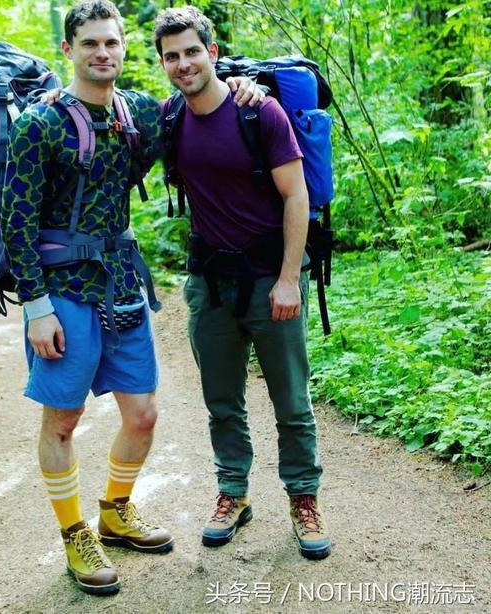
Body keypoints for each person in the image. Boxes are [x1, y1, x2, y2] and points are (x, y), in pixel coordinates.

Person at [1, 0, 263, 596]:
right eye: (89, 43)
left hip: (121, 282)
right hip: (61, 289)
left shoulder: (139, 113)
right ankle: (75, 534)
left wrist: (245, 86)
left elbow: (201, 101)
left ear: (123, 48)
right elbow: (17, 221)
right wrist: (35, 307)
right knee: (63, 420)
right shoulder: (38, 124)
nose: (102, 52)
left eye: (111, 42)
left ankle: (116, 512)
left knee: (142, 414)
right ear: (68, 49)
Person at [153, 7, 332, 560]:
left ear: (212, 52)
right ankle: (233, 492)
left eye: (192, 51)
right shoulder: (169, 118)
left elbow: (296, 195)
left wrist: (289, 280)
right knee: (222, 401)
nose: (184, 63)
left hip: (270, 280)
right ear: (163, 64)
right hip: (210, 286)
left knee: (292, 402)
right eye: (172, 56)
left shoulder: (260, 112)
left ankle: (303, 499)